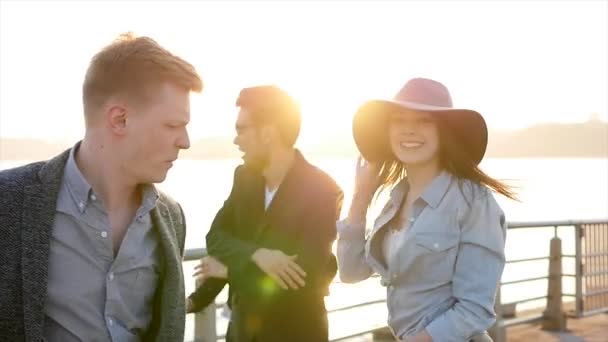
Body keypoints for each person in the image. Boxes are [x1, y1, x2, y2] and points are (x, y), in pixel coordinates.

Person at [0, 32, 203, 341]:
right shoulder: (8, 201)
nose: (185, 141)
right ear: (119, 120)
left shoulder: (171, 217)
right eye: (173, 125)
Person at [337, 78, 516, 342]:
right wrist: (361, 197)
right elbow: (351, 272)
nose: (408, 130)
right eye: (398, 120)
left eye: (424, 121)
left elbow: (475, 309)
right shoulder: (395, 200)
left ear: (445, 131)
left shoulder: (472, 201)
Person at [187, 85, 343, 342]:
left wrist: (228, 271)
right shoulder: (244, 178)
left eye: (242, 130)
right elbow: (216, 237)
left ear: (268, 133)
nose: (236, 139)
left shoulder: (324, 190)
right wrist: (256, 254)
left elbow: (304, 278)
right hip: (241, 333)